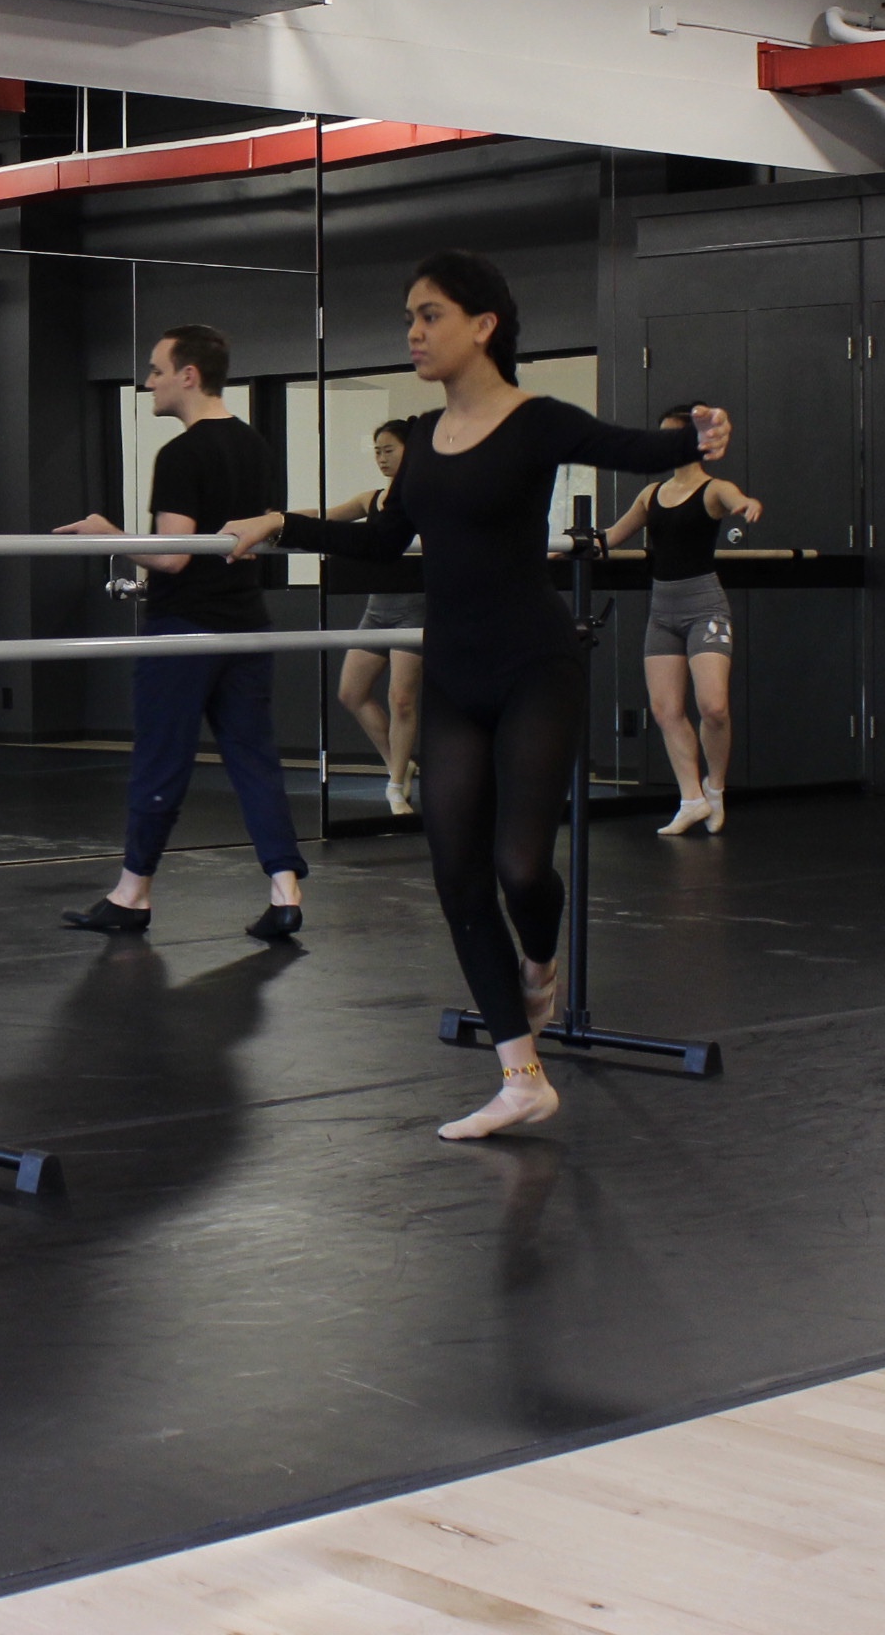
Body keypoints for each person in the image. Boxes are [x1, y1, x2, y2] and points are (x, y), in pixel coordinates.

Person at [232, 253, 727, 1142]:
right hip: (455, 673)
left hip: (535, 667)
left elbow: (635, 447)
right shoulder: (421, 439)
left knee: (521, 869)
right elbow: (385, 540)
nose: (414, 333)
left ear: (483, 325)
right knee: (457, 876)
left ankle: (541, 955)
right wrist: (282, 523)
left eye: (429, 316)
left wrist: (701, 433)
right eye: (410, 318)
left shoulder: (537, 423)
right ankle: (519, 1072)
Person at [52, 324, 310, 943]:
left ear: (188, 375)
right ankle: (285, 888)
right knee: (254, 758)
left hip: (186, 627)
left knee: (160, 759)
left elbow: (172, 557)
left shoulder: (182, 453)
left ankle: (132, 894)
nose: (148, 383)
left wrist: (105, 534)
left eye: (156, 370)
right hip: (245, 623)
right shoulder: (254, 444)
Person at [602, 406, 766, 836]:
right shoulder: (650, 494)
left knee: (713, 706)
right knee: (666, 709)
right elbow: (611, 537)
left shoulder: (714, 488)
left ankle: (715, 787)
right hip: (663, 611)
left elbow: (735, 500)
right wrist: (564, 545)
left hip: (704, 608)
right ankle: (691, 798)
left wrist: (746, 504)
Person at [307, 415, 425, 820]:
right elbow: (325, 517)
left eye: (389, 449)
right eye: (376, 451)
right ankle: (400, 763)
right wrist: (275, 522)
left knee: (402, 699)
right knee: (351, 692)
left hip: (415, 610)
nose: (381, 458)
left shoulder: (424, 499)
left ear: (410, 452)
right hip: (378, 611)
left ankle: (395, 786)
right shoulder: (371, 499)